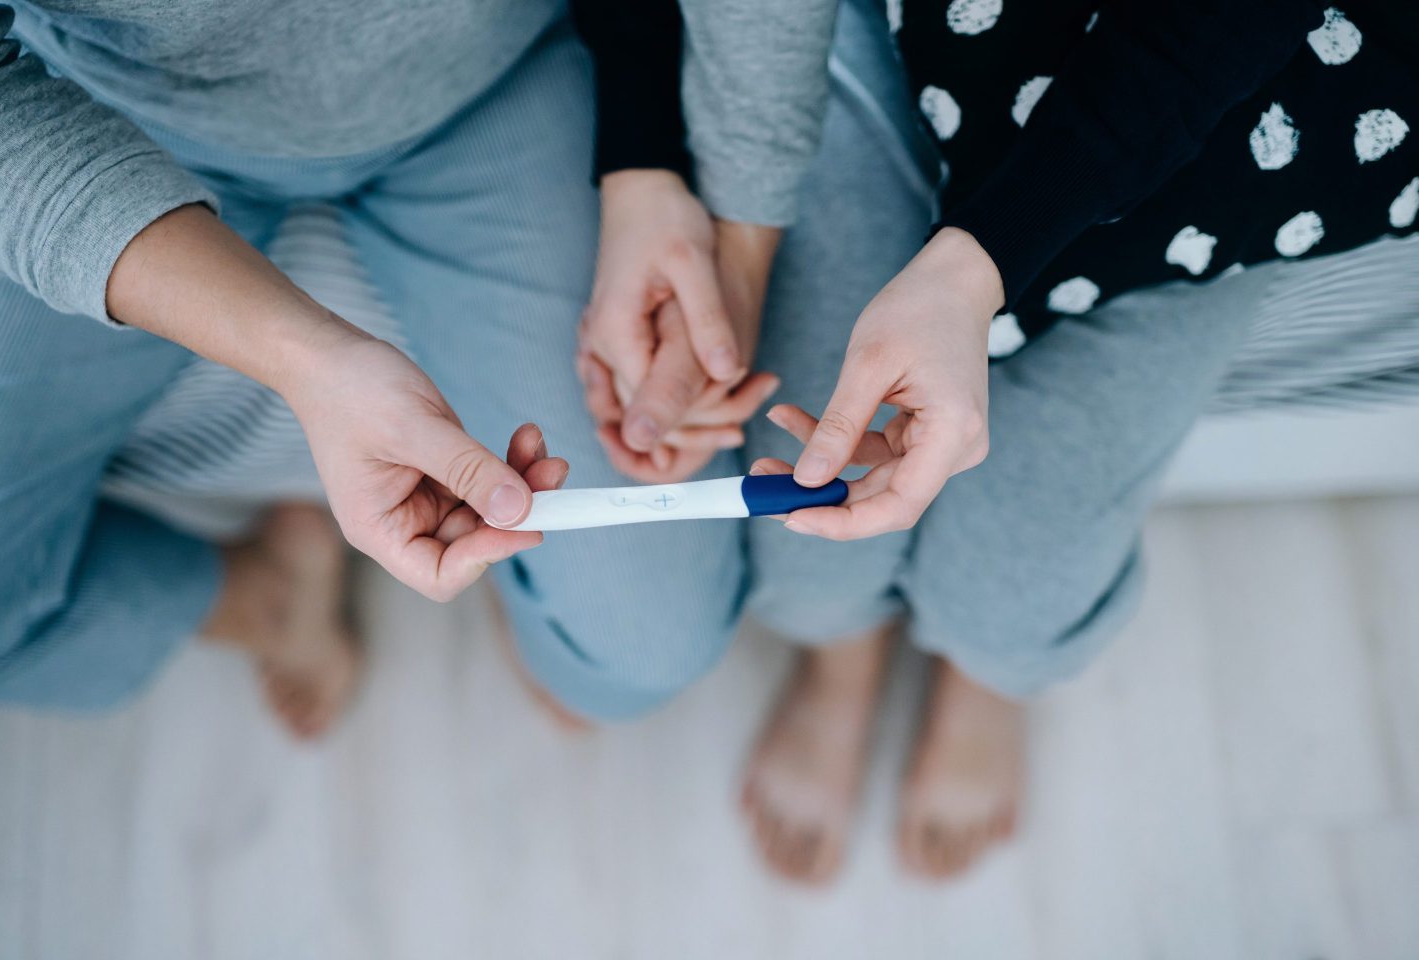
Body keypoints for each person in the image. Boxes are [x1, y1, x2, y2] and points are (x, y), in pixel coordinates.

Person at [576, 0, 1419, 883]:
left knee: (1015, 603)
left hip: (1224, 141)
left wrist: (974, 267)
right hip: (885, 46)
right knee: (810, 556)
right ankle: (841, 660)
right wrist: (734, 245)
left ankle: (984, 676)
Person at [0, 0, 751, 735]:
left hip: (490, 80)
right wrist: (307, 360)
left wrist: (644, 164)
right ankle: (270, 599)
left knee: (645, 651)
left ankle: (511, 584)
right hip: (98, 125)